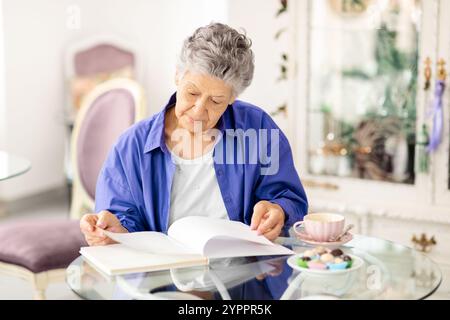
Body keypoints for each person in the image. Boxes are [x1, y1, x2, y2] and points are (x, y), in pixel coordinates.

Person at [79, 22, 308, 247]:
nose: (199, 110)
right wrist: (116, 230)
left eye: (216, 101)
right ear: (178, 76)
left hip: (240, 275)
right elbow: (119, 218)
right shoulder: (132, 146)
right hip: (161, 278)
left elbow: (290, 199)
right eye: (192, 93)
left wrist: (279, 210)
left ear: (232, 98)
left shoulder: (258, 129)